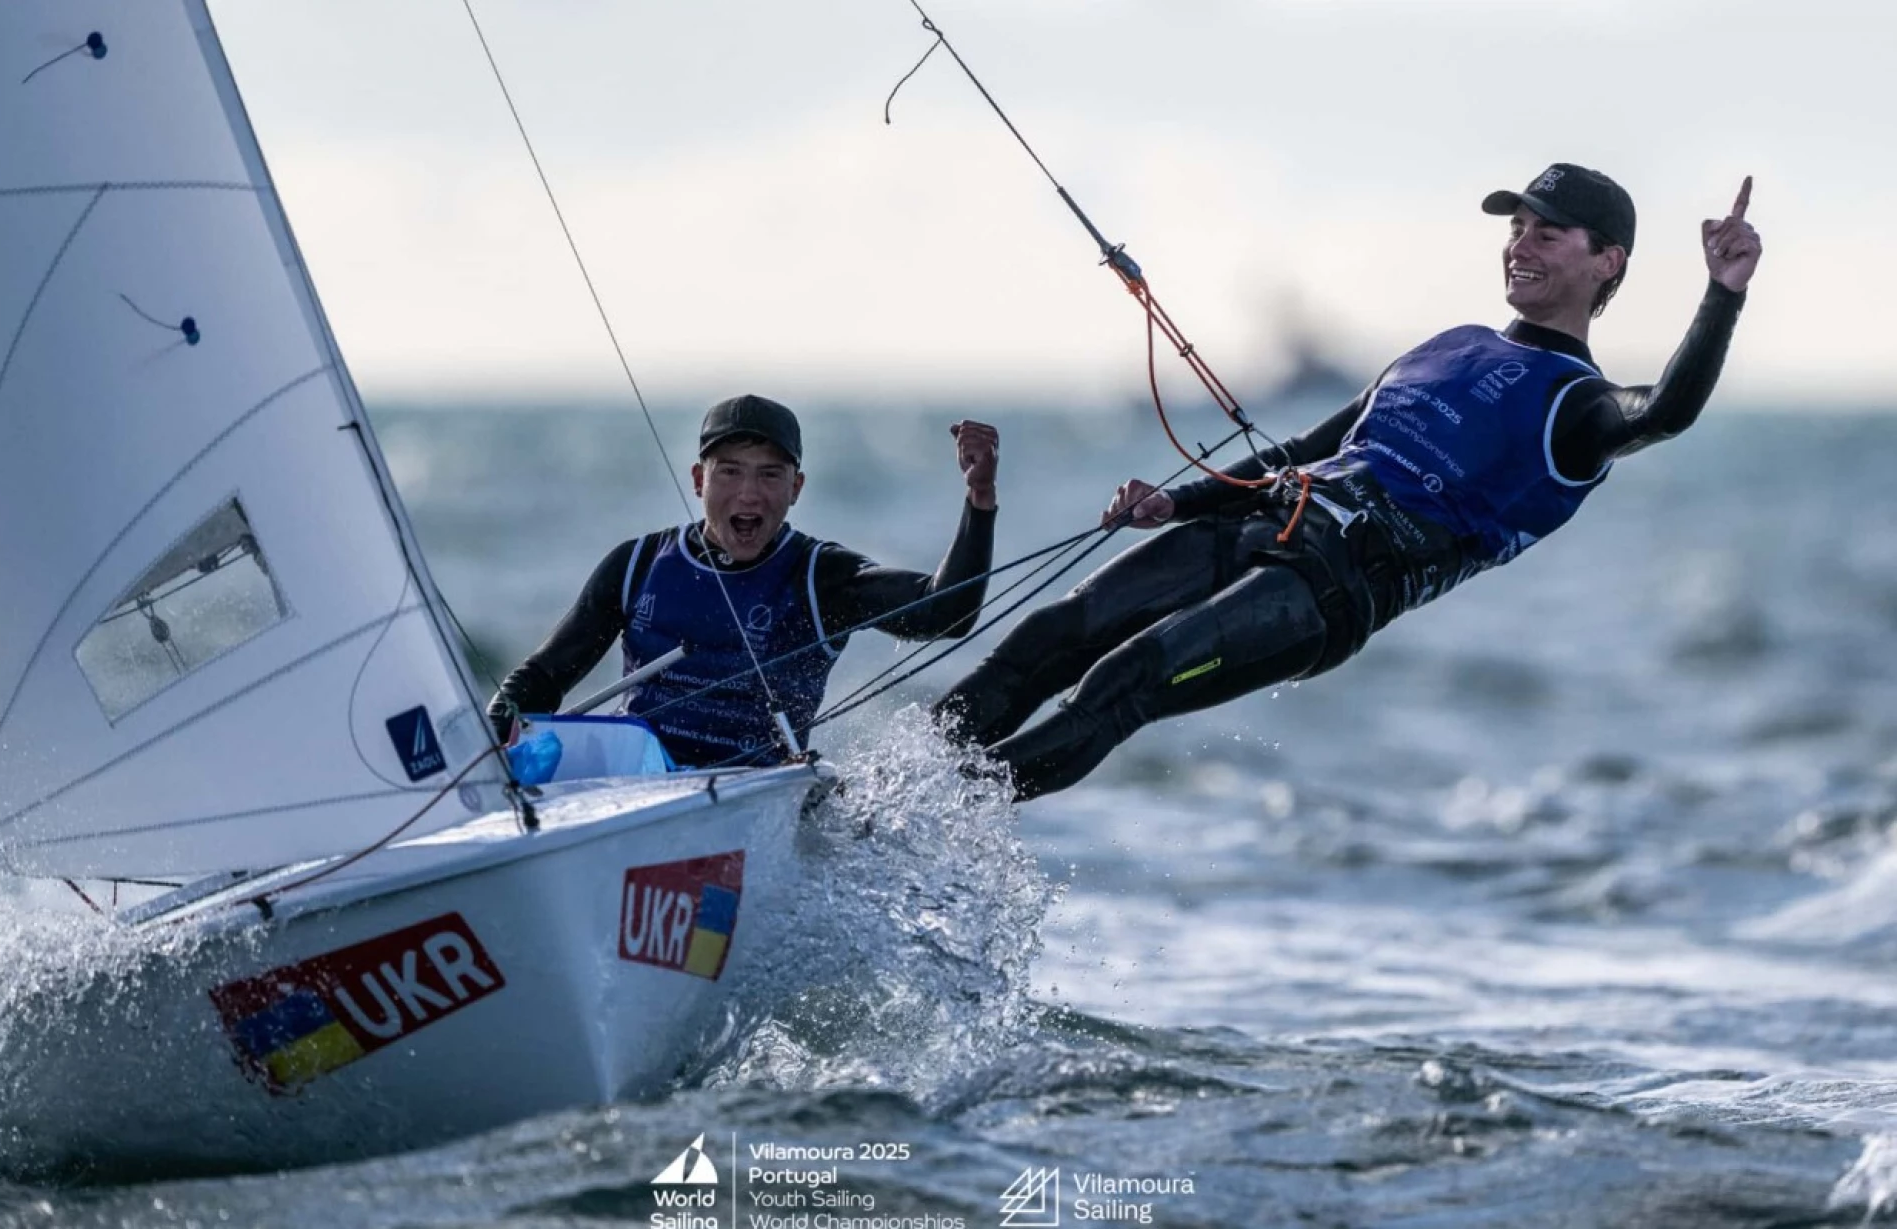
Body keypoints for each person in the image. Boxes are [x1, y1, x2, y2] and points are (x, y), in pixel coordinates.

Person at [937, 164, 1762, 800]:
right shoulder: (1452, 342)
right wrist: (1175, 500)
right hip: (1260, 521)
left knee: (1124, 682)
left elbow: (1666, 411)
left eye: (1549, 233)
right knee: (1052, 633)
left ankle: (938, 812)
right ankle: (892, 782)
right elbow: (1309, 445)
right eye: (1517, 228)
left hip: (1326, 591)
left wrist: (1722, 293)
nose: (1521, 245)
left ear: (1608, 261)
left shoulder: (1581, 407)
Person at [491, 394, 1000, 767]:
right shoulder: (638, 565)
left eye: (770, 474)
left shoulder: (821, 578)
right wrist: (485, 748)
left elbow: (946, 613)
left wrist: (978, 500)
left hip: (750, 798)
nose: (749, 494)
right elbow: (541, 680)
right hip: (639, 791)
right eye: (730, 472)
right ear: (699, 480)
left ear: (796, 487)